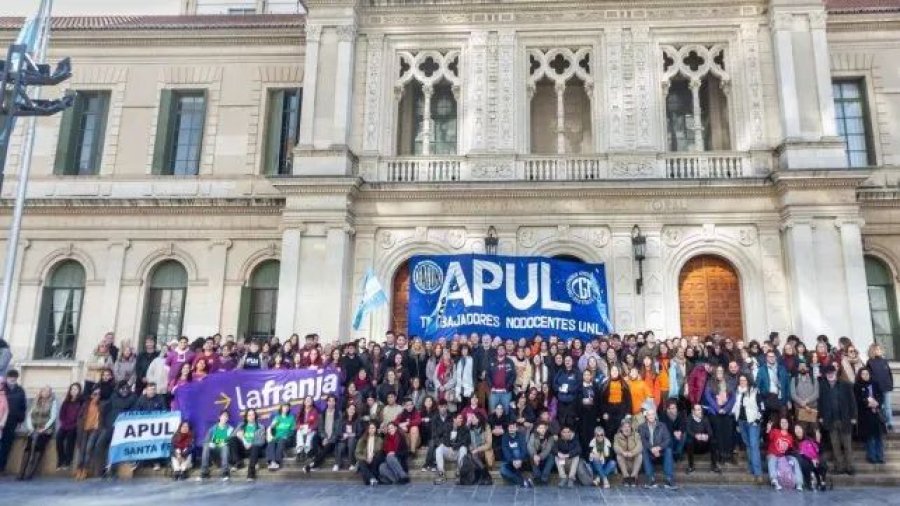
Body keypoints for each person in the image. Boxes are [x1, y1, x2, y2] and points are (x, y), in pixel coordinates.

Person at [817, 364, 857, 475]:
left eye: (832, 373)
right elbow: (820, 403)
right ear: (825, 375)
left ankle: (850, 467)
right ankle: (839, 467)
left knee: (847, 445)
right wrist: (821, 416)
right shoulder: (823, 386)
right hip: (830, 420)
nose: (830, 375)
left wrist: (854, 416)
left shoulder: (845, 385)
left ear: (836, 373)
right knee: (835, 445)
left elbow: (852, 402)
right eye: (828, 374)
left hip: (845, 419)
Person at [18, 386, 58, 480]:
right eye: (43, 391)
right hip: (34, 428)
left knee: (38, 446)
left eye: (48, 391)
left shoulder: (53, 402)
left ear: (50, 393)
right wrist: (31, 427)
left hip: (45, 429)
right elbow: (29, 415)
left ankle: (30, 472)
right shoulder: (35, 401)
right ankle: (21, 473)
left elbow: (53, 417)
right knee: (28, 447)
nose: (45, 393)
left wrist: (44, 428)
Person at [99, 381, 136, 478]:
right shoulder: (113, 397)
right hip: (110, 425)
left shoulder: (132, 398)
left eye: (125, 389)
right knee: (102, 445)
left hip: (122, 429)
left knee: (115, 448)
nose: (124, 391)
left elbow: (124, 405)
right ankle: (105, 468)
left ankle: (112, 470)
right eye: (122, 389)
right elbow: (107, 410)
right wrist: (105, 423)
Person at [732, 373, 763, 482]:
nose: (742, 382)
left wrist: (758, 419)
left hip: (752, 422)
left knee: (754, 445)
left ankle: (758, 473)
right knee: (748, 445)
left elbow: (761, 406)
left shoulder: (755, 391)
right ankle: (751, 468)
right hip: (742, 421)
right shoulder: (737, 391)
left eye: (744, 380)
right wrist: (737, 422)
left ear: (748, 381)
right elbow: (736, 407)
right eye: (740, 380)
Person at [638, 409, 677, 489]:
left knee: (668, 450)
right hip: (649, 451)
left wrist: (659, 448)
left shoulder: (662, 425)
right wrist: (652, 448)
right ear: (646, 417)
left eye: (652, 414)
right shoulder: (642, 427)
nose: (651, 416)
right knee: (643, 450)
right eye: (649, 415)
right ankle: (650, 478)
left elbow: (667, 439)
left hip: (661, 451)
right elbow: (642, 440)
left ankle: (669, 478)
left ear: (655, 416)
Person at [854, 368, 886, 464]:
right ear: (860, 375)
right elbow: (857, 399)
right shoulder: (857, 386)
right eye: (863, 374)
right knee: (870, 437)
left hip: (876, 414)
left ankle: (880, 456)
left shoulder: (875, 384)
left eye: (867, 373)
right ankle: (871, 456)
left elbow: (881, 396)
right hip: (866, 415)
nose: (865, 375)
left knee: (878, 436)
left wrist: (877, 403)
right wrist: (867, 403)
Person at [765, 415, 803, 491]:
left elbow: (791, 449)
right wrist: (768, 430)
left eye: (785, 422)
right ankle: (774, 479)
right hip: (773, 454)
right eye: (782, 422)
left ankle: (799, 483)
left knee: (794, 460)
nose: (784, 424)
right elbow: (767, 439)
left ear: (788, 424)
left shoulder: (790, 436)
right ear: (780, 424)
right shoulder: (775, 431)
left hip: (784, 456)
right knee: (772, 459)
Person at [0, 369, 26, 473]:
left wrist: (20, 421)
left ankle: (1, 467)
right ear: (7, 378)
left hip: (12, 421)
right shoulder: (2, 388)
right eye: (10, 377)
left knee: (6, 445)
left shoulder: (20, 390)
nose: (12, 379)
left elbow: (23, 406)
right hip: (1, 420)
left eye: (14, 378)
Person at [228, 408, 265, 481]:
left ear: (255, 416)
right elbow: (232, 436)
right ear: (246, 417)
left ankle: (251, 474)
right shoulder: (241, 425)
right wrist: (242, 439)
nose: (251, 417)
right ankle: (238, 462)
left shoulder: (260, 427)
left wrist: (250, 444)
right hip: (243, 449)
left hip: (254, 450)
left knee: (255, 446)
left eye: (253, 415)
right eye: (249, 415)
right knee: (233, 439)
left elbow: (261, 442)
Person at [307, 394, 342, 472]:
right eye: (329, 401)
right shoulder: (322, 413)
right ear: (327, 402)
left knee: (327, 447)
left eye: (333, 401)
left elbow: (337, 431)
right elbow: (320, 428)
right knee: (315, 438)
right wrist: (324, 438)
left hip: (333, 440)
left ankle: (313, 464)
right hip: (324, 438)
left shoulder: (339, 414)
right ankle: (314, 456)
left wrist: (329, 440)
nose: (331, 403)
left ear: (335, 403)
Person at [74, 388, 102, 480]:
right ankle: (79, 469)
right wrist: (80, 426)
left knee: (88, 449)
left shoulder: (101, 405)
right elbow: (80, 416)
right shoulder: (86, 404)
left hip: (94, 429)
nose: (96, 396)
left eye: (98, 394)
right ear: (91, 395)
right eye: (95, 394)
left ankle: (85, 469)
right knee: (81, 450)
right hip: (84, 429)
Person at [434, 412, 469, 484]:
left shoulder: (465, 428)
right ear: (454, 419)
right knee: (439, 449)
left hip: (457, 452)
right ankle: (441, 474)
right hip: (448, 452)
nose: (461, 420)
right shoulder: (448, 426)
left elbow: (464, 441)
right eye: (459, 418)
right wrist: (449, 446)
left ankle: (459, 473)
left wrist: (453, 447)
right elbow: (444, 439)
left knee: (463, 448)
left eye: (462, 418)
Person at [685, 404, 719, 473]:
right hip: (694, 446)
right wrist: (696, 435)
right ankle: (691, 466)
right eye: (696, 410)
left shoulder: (705, 418)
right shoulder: (689, 418)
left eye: (699, 409)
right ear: (693, 411)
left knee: (713, 441)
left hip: (704, 445)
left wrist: (706, 436)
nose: (698, 411)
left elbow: (710, 432)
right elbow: (688, 430)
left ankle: (714, 466)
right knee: (689, 441)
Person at [56, 382, 82, 470]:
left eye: (75, 389)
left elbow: (80, 416)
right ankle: (61, 459)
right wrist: (64, 423)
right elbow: (61, 414)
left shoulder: (80, 402)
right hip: (65, 425)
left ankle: (68, 461)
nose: (73, 391)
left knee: (70, 438)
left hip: (74, 426)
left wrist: (74, 424)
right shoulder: (66, 401)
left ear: (79, 391)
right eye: (72, 389)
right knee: (59, 438)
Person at [199, 410, 232, 480]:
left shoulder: (230, 429)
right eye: (223, 416)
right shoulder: (212, 429)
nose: (224, 418)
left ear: (228, 418)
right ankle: (204, 472)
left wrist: (225, 443)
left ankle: (225, 472)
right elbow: (205, 441)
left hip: (225, 453)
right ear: (219, 417)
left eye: (226, 416)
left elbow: (232, 442)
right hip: (214, 452)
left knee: (225, 447)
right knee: (206, 446)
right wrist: (210, 443)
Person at [867, 343, 893, 430]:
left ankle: (889, 423)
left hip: (886, 387)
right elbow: (869, 376)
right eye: (877, 349)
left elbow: (889, 373)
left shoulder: (884, 361)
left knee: (888, 406)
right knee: (880, 406)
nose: (879, 351)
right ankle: (882, 423)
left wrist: (891, 384)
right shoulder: (870, 362)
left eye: (880, 349)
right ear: (873, 351)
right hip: (877, 388)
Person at [793, 423, 827, 491]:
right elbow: (796, 452)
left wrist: (818, 442)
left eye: (799, 428)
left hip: (814, 458)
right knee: (803, 461)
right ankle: (810, 482)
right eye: (796, 429)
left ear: (802, 429)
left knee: (822, 461)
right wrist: (810, 459)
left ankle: (822, 481)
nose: (798, 430)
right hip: (804, 459)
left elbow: (817, 449)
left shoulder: (809, 439)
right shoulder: (794, 441)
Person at [500, 419, 532, 488]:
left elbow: (524, 450)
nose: (511, 429)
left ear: (516, 428)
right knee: (503, 470)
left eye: (513, 427)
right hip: (510, 461)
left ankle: (521, 481)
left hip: (521, 461)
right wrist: (513, 461)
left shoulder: (521, 436)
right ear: (508, 428)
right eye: (510, 427)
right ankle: (523, 481)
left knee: (516, 451)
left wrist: (519, 460)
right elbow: (506, 452)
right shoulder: (505, 437)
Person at [265, 403, 296, 471]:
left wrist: (287, 435)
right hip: (277, 437)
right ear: (281, 408)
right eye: (284, 407)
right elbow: (271, 429)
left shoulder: (291, 417)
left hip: (287, 438)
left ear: (289, 409)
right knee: (271, 442)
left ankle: (277, 462)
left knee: (281, 441)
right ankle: (272, 462)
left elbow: (293, 430)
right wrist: (272, 426)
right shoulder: (277, 417)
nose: (286, 408)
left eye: (287, 407)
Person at [613, 418, 642, 487]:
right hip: (624, 463)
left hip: (634, 463)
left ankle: (633, 477)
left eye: (628, 426)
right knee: (618, 455)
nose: (627, 428)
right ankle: (625, 477)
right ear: (621, 428)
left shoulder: (636, 435)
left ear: (631, 427)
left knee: (640, 455)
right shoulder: (617, 436)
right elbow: (615, 447)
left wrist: (632, 453)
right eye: (625, 427)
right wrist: (623, 452)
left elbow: (640, 446)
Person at [527, 420, 556, 485]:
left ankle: (544, 478)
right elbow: (530, 446)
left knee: (551, 456)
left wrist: (539, 457)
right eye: (540, 428)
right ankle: (537, 476)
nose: (542, 430)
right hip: (535, 458)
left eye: (543, 428)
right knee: (531, 455)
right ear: (536, 429)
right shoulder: (533, 435)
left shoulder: (550, 437)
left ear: (546, 428)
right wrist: (534, 455)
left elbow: (548, 449)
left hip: (545, 457)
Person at [355, 422, 383, 486]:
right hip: (365, 460)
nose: (371, 430)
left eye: (373, 428)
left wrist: (372, 456)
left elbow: (378, 450)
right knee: (361, 462)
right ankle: (372, 478)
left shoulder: (379, 439)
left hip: (374, 461)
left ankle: (370, 478)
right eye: (370, 428)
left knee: (378, 456)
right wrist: (366, 458)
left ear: (375, 429)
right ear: (367, 429)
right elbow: (357, 453)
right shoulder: (362, 439)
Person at [295, 396, 320, 460]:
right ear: (304, 402)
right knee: (298, 432)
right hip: (302, 428)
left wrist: (311, 428)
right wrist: (299, 426)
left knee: (310, 434)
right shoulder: (300, 411)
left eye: (310, 400)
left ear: (312, 402)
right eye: (307, 400)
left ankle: (306, 452)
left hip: (311, 428)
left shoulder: (315, 411)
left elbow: (317, 423)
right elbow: (297, 422)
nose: (308, 401)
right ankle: (299, 452)